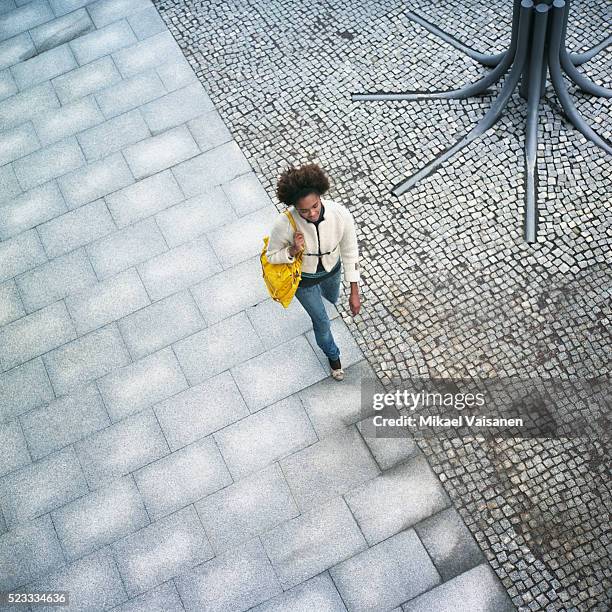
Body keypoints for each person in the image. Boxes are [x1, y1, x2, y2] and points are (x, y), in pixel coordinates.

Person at [265, 163, 361, 381]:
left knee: (331, 300)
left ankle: (324, 309)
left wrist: (354, 290)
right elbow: (271, 256)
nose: (312, 213)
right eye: (304, 211)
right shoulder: (284, 223)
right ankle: (333, 356)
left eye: (315, 206)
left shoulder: (340, 214)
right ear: (295, 208)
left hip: (332, 271)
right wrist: (292, 250)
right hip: (304, 281)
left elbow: (350, 251)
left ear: (320, 196)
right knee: (322, 322)